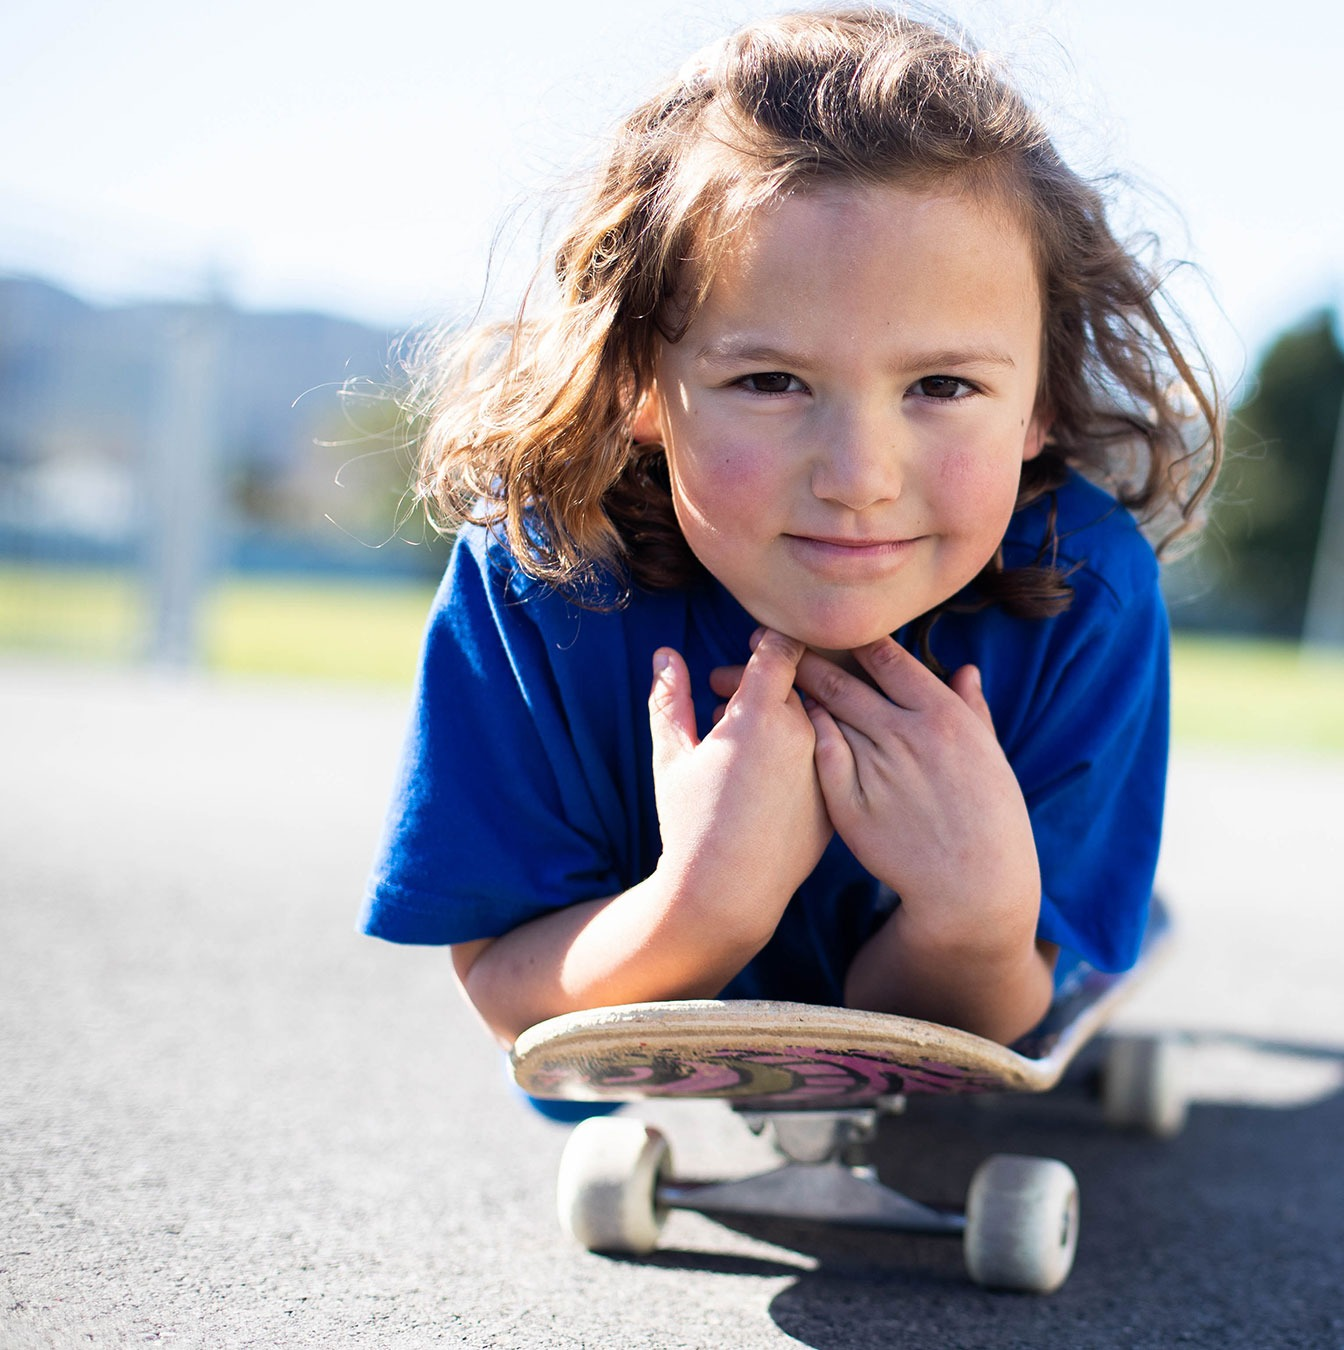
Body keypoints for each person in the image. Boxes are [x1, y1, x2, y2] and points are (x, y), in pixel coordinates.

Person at [358, 9, 1222, 1114]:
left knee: (1090, 928)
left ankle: (1111, 913)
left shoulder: (1084, 588)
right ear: (635, 381)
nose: (859, 474)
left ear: (1041, 401)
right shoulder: (544, 577)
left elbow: (990, 1029)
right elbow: (515, 1006)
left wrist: (975, 921)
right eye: (770, 382)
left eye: (943, 387)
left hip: (972, 1021)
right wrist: (705, 903)